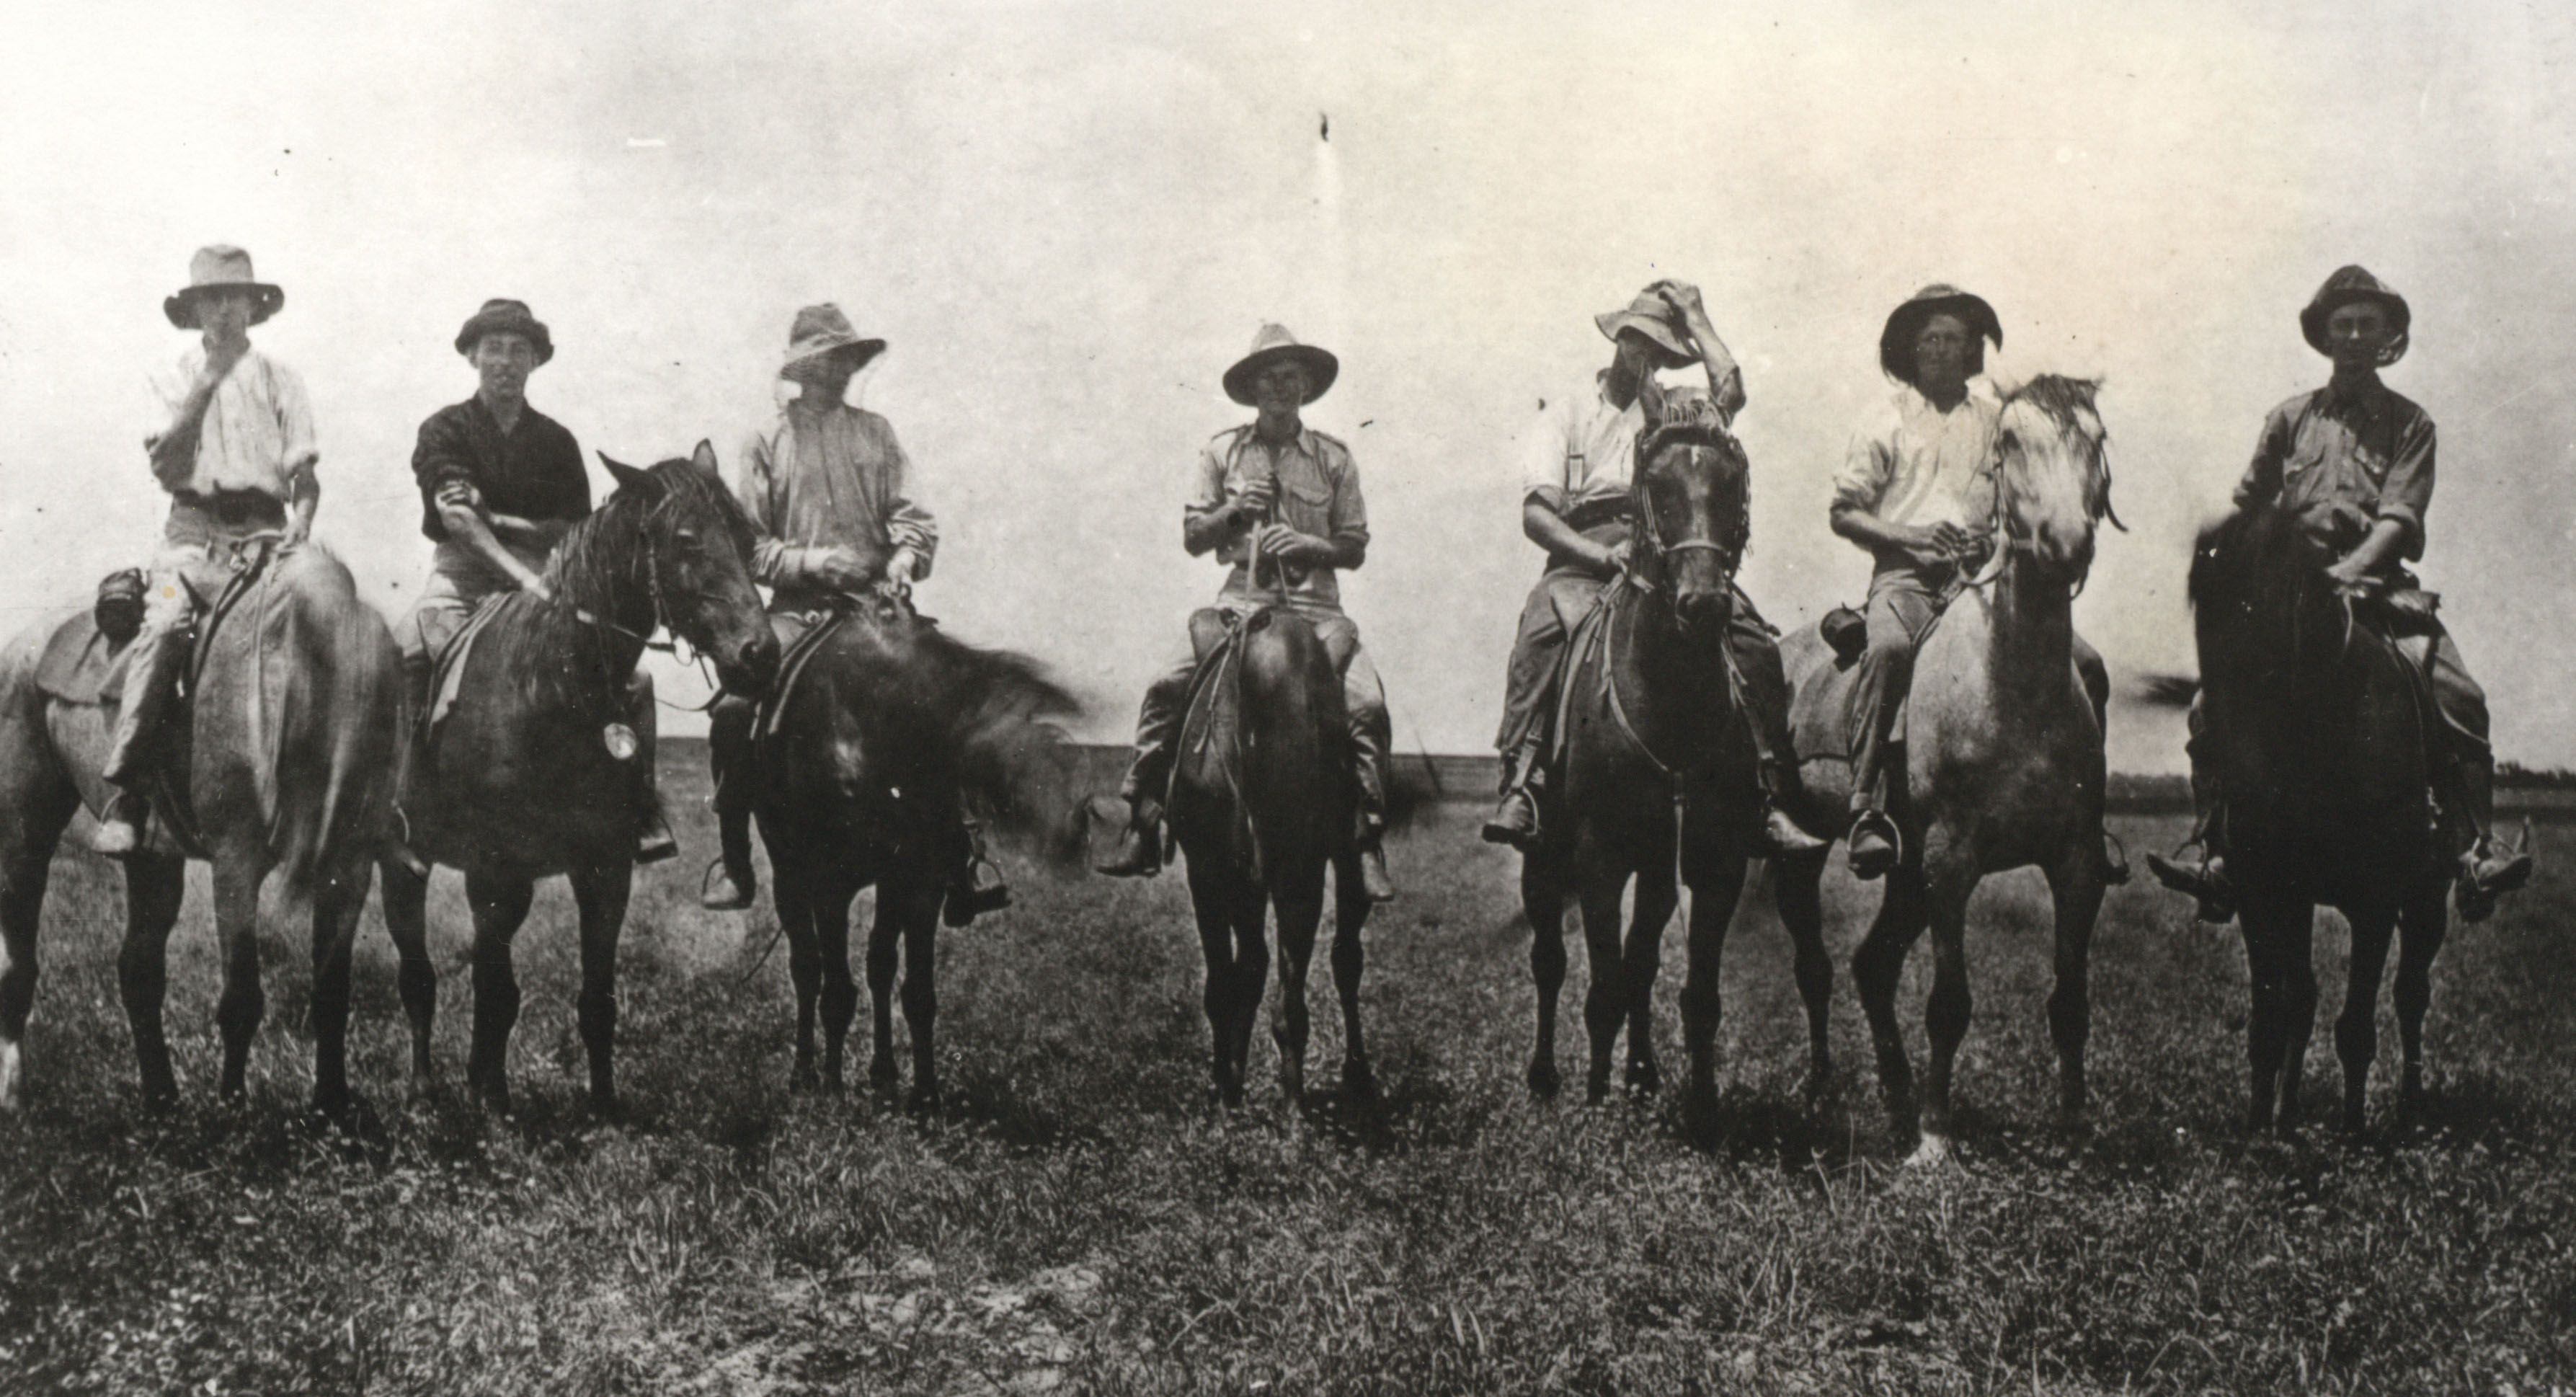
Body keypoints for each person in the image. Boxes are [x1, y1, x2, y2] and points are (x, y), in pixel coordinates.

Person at [2148, 266, 2532, 919]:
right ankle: (2213, 849)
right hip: (2289, 603)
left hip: (2379, 593)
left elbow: (2399, 518)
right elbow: (2251, 508)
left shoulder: (2411, 423)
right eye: (2342, 325)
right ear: (2324, 337)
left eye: (2367, 325)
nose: (2354, 336)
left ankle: (2474, 850)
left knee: (2460, 696)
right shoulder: (2288, 420)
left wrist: (2352, 571)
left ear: (2387, 338)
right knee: (2212, 703)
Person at [1483, 280, 1825, 856]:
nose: (1647, 356)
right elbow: (1538, 517)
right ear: (1619, 338)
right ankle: (1524, 781)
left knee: (1752, 641)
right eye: (1638, 340)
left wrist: (1698, 314)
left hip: (1667, 555)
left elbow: (1731, 392)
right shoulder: (1567, 411)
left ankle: (1767, 795)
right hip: (1582, 556)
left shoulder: (1677, 407)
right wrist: (1600, 554)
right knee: (1542, 630)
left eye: (1662, 349)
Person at [700, 303, 1008, 921]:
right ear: (802, 367)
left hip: (876, 606)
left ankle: (960, 854)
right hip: (798, 612)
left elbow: (915, 519)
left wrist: (901, 562)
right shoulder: (764, 440)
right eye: (824, 359)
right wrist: (814, 565)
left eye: (844, 358)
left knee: (943, 695)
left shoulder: (877, 432)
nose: (836, 370)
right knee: (734, 710)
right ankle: (734, 862)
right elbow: (751, 546)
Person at [1096, 323, 1398, 901]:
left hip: (1316, 612)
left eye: (1291, 377)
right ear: (1253, 388)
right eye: (1269, 378)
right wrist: (1236, 512)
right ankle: (1143, 818)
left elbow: (1354, 546)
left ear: (1307, 387)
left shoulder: (1334, 458)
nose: (1281, 388)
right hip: (1240, 604)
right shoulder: (1221, 451)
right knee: (1166, 684)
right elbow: (1192, 536)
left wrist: (1311, 547)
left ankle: (1364, 838)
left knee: (1366, 703)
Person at [1828, 284, 2110, 879]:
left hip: (1981, 581)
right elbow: (1844, 512)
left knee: (2087, 667)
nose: (1939, 349)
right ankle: (1866, 808)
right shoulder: (1885, 418)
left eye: (1953, 339)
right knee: (1887, 650)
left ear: (1973, 352)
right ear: (1909, 350)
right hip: (1905, 580)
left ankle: (2088, 816)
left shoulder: (1999, 420)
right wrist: (1914, 537)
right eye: (1928, 339)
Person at [397, 298, 678, 865]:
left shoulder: (556, 441)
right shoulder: (445, 428)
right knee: (409, 649)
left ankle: (638, 807)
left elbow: (571, 530)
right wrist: (519, 570)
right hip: (465, 578)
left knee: (634, 678)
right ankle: (403, 808)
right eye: (494, 348)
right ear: (473, 354)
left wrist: (499, 521)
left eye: (519, 351)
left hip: (547, 581)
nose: (505, 361)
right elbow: (456, 520)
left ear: (535, 363)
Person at [97, 247, 319, 856]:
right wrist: (208, 380)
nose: (223, 311)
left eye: (234, 297)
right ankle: (127, 792)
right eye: (210, 300)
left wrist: (301, 519)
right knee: (166, 625)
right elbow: (168, 468)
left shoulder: (282, 377)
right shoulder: (170, 376)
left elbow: (305, 474)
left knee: (331, 624)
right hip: (194, 535)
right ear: (194, 312)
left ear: (253, 306)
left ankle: (353, 796)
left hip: (269, 535)